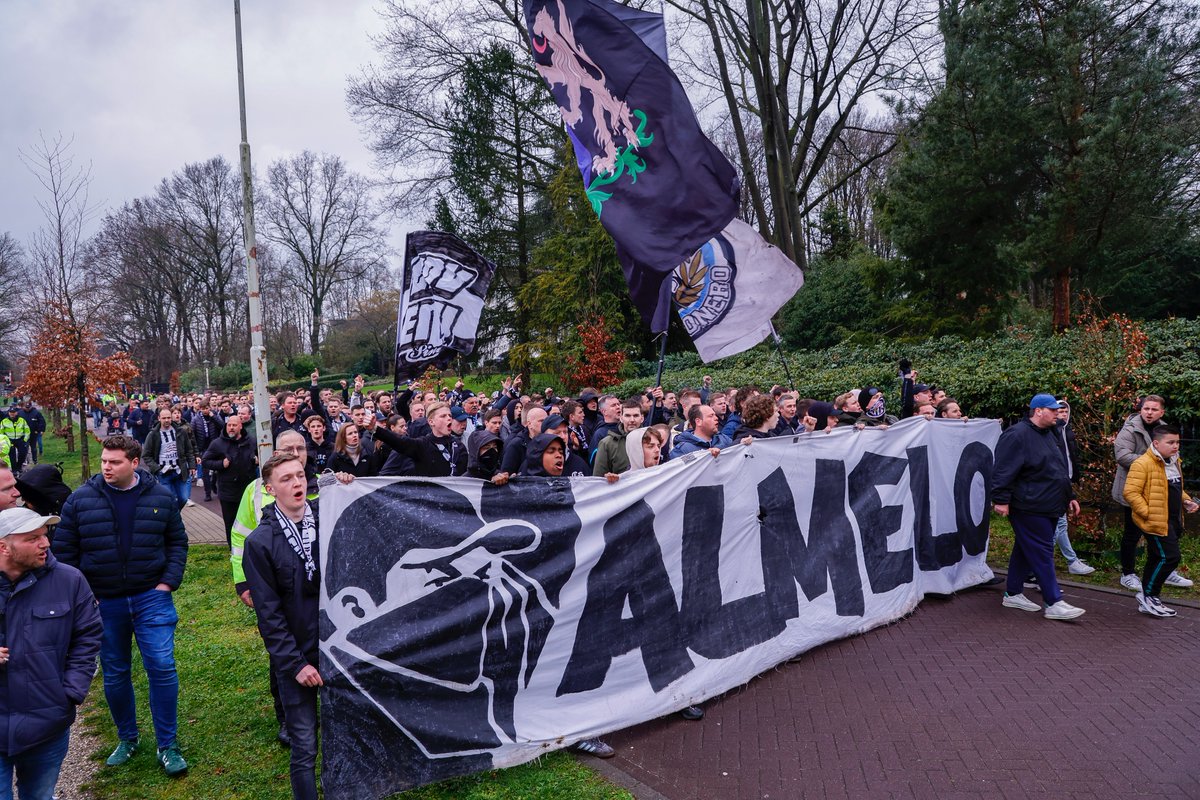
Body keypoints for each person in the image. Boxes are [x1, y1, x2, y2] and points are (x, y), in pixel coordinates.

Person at [53, 435, 190, 775]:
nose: (106, 467)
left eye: (114, 462)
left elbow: (177, 541)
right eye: (103, 461)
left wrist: (166, 583)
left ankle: (168, 745)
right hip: (104, 602)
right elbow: (66, 555)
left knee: (161, 666)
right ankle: (127, 738)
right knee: (115, 673)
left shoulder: (160, 495)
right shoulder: (81, 500)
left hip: (151, 598)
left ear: (134, 462)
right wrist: (86, 595)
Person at [0, 507, 103, 799]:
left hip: (46, 724)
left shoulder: (69, 581)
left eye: (44, 536)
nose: (45, 544)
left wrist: (69, 693)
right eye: (33, 538)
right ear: (3, 547)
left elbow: (88, 637)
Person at [242, 454, 326, 800]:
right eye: (287, 479)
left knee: (343, 736)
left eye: (301, 476)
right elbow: (269, 616)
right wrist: (295, 664)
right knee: (305, 743)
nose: (297, 484)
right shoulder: (259, 543)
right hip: (297, 659)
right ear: (269, 488)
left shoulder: (328, 519)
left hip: (335, 648)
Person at [991, 395, 1085, 621]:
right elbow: (1003, 469)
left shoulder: (1050, 433)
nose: (1058, 414)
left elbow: (1058, 467)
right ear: (1038, 411)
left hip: (1049, 502)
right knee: (1043, 551)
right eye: (1053, 410)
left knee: (1025, 548)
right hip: (1029, 504)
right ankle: (1053, 602)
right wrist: (1001, 499)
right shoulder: (1016, 435)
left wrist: (1069, 495)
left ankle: (1013, 592)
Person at [1112, 396, 1191, 590]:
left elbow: (1172, 459)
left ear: (1161, 412)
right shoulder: (1130, 429)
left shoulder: (1165, 431)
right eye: (1145, 408)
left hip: (1160, 490)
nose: (1149, 412)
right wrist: (1152, 463)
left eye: (1154, 409)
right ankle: (1128, 573)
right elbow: (1122, 456)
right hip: (1135, 488)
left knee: (1166, 530)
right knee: (1132, 533)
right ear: (1140, 410)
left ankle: (1165, 570)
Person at [1122, 425, 1198, 618]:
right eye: (1171, 442)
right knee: (1170, 557)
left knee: (1156, 557)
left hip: (1172, 520)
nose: (1175, 446)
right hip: (1155, 522)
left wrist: (1186, 500)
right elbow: (1130, 492)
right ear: (1156, 443)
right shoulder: (1143, 463)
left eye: (1177, 442)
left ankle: (1148, 597)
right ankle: (1149, 595)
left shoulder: (1173, 461)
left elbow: (1172, 488)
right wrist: (1148, 513)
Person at [1051, 400, 1094, 576]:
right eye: (1059, 411)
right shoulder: (1053, 431)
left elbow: (1071, 456)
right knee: (1058, 525)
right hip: (1056, 485)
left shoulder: (1066, 431)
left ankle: (1070, 560)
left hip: (1065, 482)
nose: (1063, 415)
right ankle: (1038, 565)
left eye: (1066, 411)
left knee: (1061, 525)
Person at [202, 414, 258, 546]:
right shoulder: (218, 443)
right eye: (229, 425)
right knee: (230, 521)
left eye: (234, 425)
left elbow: (260, 455)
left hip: (247, 488)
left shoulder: (251, 441)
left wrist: (256, 460)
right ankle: (232, 548)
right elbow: (205, 461)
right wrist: (221, 464)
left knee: (249, 520)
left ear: (240, 426)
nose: (231, 428)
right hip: (228, 490)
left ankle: (250, 546)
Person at [142, 408, 196, 510]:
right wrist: (156, 469)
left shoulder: (180, 431)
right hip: (163, 473)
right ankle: (174, 520)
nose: (166, 420)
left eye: (168, 418)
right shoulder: (153, 434)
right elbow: (146, 455)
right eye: (164, 418)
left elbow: (189, 450)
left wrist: (192, 465)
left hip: (180, 471)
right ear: (159, 418)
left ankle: (174, 517)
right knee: (170, 499)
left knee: (184, 498)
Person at [592, 398, 644, 475]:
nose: (632, 420)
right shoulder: (607, 444)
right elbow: (598, 478)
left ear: (642, 418)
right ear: (621, 418)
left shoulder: (651, 440)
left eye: (636, 415)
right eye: (627, 416)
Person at [0, 408, 30, 476]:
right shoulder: (4, 421)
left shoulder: (22, 420)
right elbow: (1, 432)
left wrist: (24, 440)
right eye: (11, 412)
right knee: (12, 455)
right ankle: (14, 470)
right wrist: (5, 441)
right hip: (10, 440)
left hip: (20, 439)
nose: (12, 413)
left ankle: (19, 467)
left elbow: (27, 431)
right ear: (8, 413)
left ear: (16, 413)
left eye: (13, 412)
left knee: (23, 453)